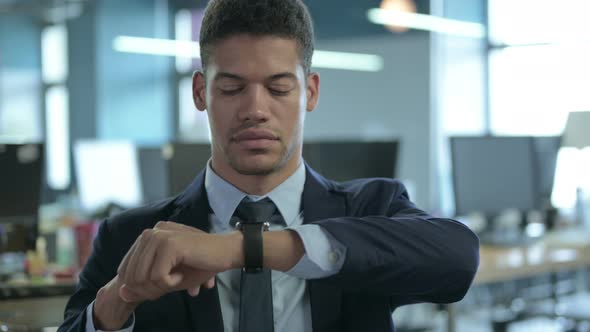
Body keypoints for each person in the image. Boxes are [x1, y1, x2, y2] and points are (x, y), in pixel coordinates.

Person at [58, 0, 479, 331]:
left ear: (310, 92)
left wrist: (239, 247)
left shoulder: (370, 208)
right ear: (201, 92)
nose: (255, 109)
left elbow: (458, 258)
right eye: (232, 88)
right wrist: (118, 301)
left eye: (278, 88)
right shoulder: (130, 237)